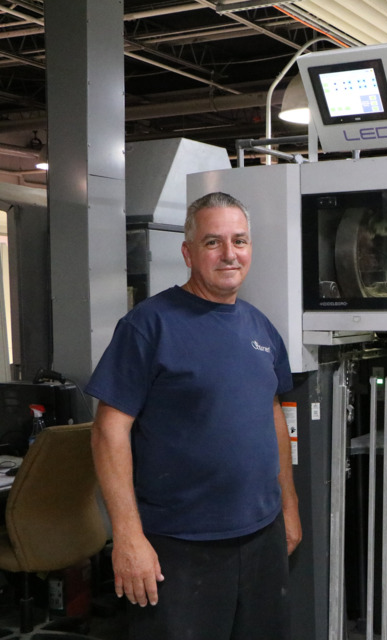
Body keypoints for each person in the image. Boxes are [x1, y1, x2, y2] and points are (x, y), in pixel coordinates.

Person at [87, 192, 302, 640]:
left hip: (261, 536)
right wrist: (127, 536)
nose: (229, 254)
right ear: (188, 253)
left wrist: (290, 508)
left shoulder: (260, 327)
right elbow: (109, 431)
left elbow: (273, 416)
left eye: (239, 240)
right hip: (178, 545)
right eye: (212, 242)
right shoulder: (149, 325)